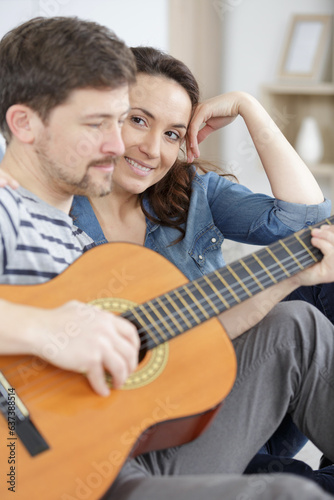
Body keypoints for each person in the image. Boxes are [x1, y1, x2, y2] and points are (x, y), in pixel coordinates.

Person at [0, 23, 334, 500]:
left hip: (141, 434)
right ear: (26, 123)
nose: (129, 146)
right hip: (71, 466)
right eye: (106, 123)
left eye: (171, 133)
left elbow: (302, 222)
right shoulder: (11, 208)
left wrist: (291, 275)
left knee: (297, 320)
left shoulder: (70, 239)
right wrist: (48, 333)